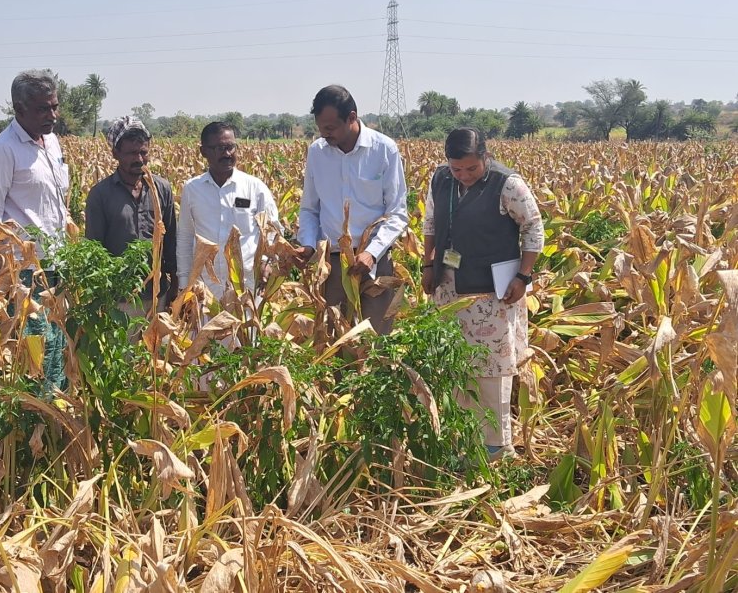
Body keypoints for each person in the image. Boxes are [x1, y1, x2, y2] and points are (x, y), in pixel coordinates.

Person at [422, 127, 544, 461]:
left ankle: (496, 447)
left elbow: (533, 228)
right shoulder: (441, 180)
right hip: (449, 288)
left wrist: (523, 276)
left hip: (492, 292)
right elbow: (430, 223)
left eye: (471, 168)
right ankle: (463, 439)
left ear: (485, 157)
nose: (463, 175)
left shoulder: (508, 184)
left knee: (491, 367)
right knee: (454, 362)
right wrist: (428, 265)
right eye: (457, 169)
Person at [0, 69, 69, 395]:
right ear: (19, 108)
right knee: (34, 350)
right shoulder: (2, 151)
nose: (52, 116)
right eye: (43, 109)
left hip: (56, 264)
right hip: (23, 272)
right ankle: (35, 413)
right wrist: (2, 282)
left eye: (54, 107)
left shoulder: (52, 142)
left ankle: (56, 408)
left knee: (58, 345)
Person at [295, 84, 409, 334]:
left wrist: (371, 253)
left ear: (351, 118)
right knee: (334, 340)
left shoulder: (384, 149)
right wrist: (308, 244)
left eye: (330, 128)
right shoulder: (317, 152)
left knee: (376, 340)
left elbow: (397, 213)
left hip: (374, 263)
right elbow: (310, 209)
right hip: (333, 265)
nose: (325, 134)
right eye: (321, 128)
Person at [85, 116, 177, 313]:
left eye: (143, 152)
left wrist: (175, 286)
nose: (139, 159)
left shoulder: (162, 188)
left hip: (157, 294)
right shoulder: (100, 194)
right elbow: (94, 250)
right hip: (119, 299)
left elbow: (170, 241)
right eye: (132, 153)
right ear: (115, 153)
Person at [177, 121, 279, 298]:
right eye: (219, 148)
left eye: (231, 147)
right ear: (203, 152)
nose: (227, 154)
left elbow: (273, 230)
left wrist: (266, 261)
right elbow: (185, 236)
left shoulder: (255, 187)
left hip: (248, 286)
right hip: (206, 288)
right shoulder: (192, 189)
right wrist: (184, 283)